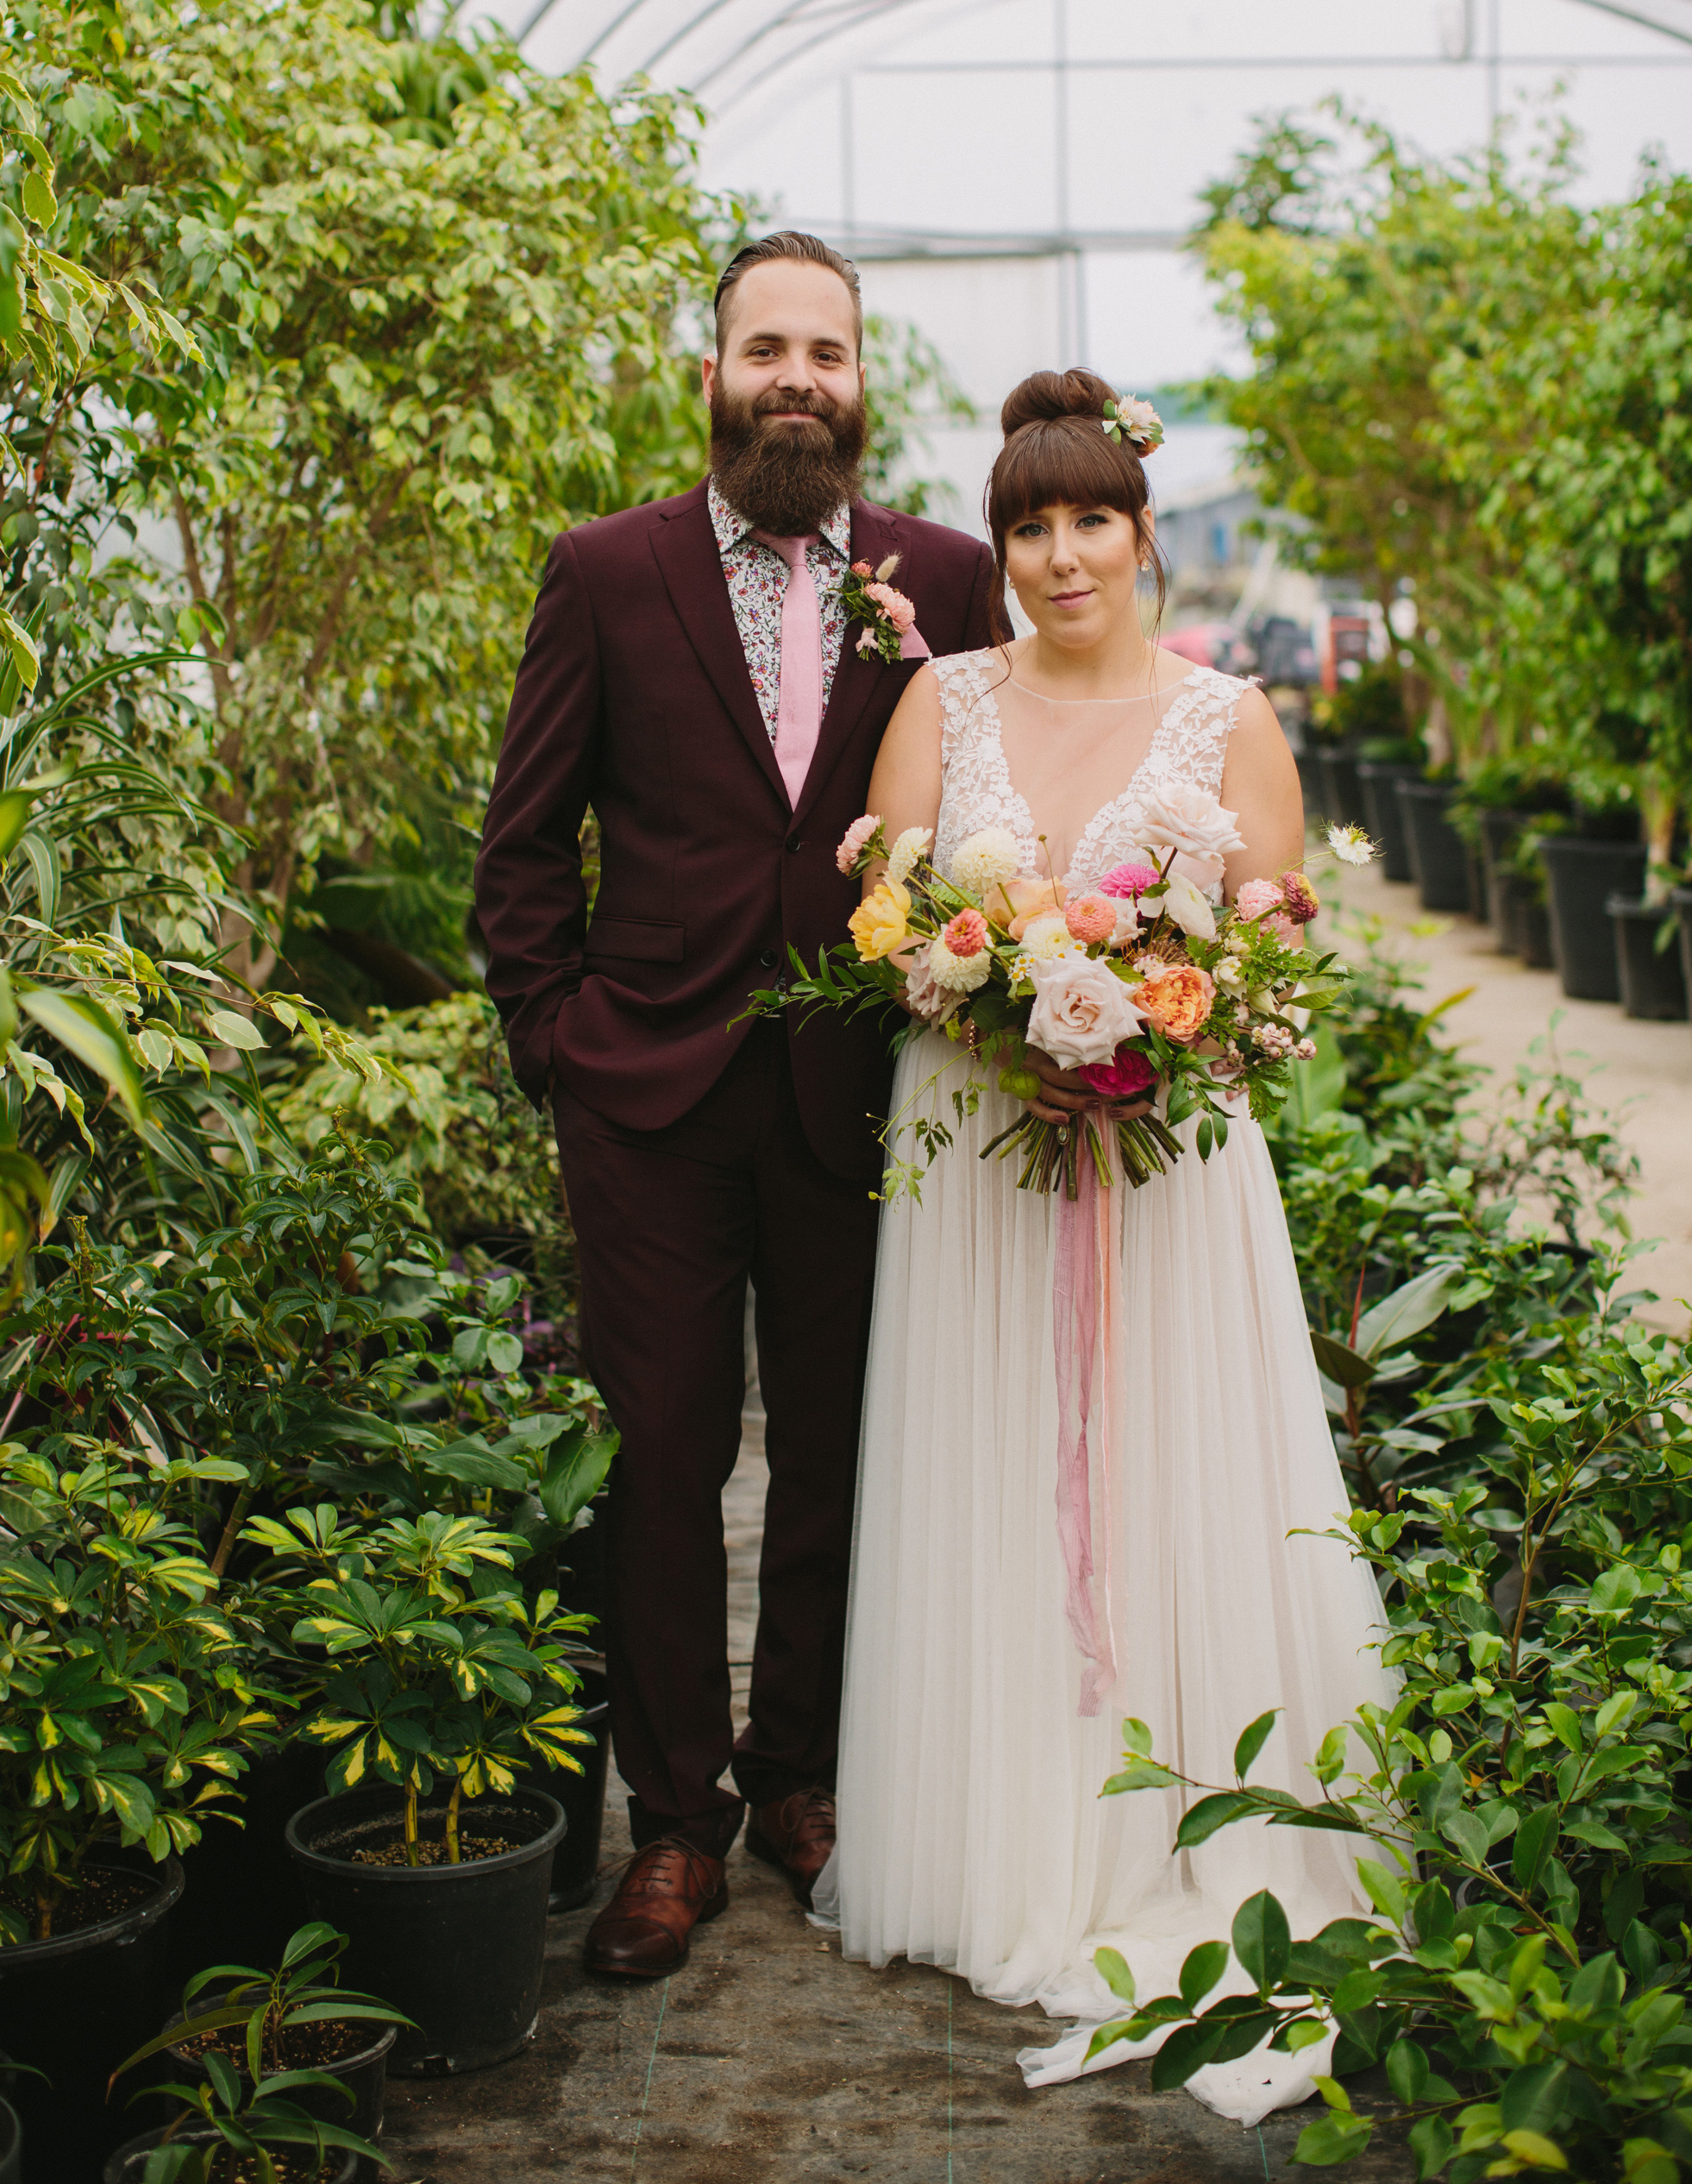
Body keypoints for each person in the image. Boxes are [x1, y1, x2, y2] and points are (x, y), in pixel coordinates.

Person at [818, 368, 1383, 2117]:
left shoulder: (1229, 723)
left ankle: (1185, 1821)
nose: (1061, 556)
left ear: (1143, 535)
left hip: (1163, 1171)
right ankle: (1002, 1839)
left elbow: (1274, 958)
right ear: (999, 547)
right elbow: (889, 917)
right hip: (980, 1156)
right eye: (1028, 526)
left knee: (1171, 1487)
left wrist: (1159, 1028)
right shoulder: (941, 699)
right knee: (989, 1485)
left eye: (1090, 522)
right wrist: (980, 985)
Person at [474, 232, 994, 1977]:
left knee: (847, 1457)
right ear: (710, 371)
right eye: (763, 346)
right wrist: (559, 1037)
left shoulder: (948, 573)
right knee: (664, 1462)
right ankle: (674, 1825)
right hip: (648, 1097)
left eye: (825, 351)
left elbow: (1002, 809)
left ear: (863, 379)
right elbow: (524, 838)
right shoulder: (605, 572)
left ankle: (800, 1779)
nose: (795, 377)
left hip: (868, 1095)